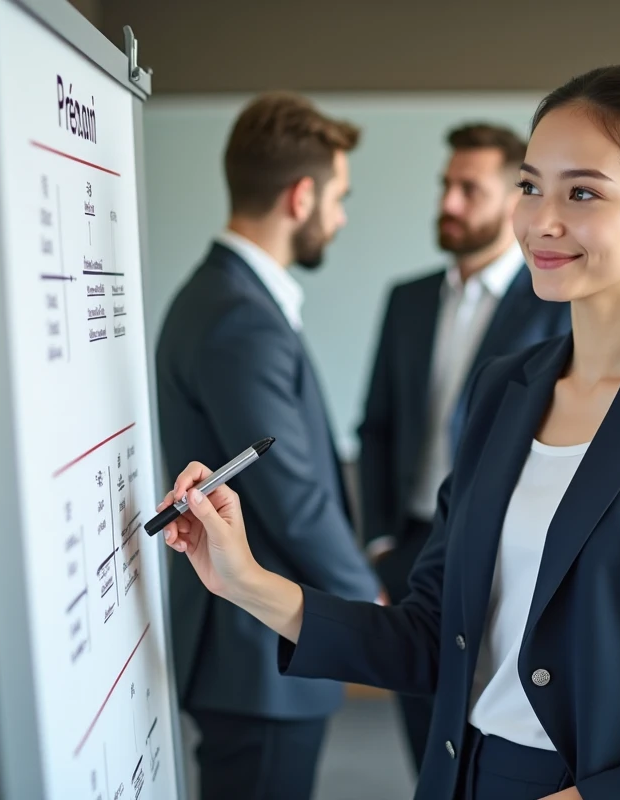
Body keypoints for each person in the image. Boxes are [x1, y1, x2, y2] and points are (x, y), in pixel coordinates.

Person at [159, 63, 620, 800]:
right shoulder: (505, 389)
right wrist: (247, 582)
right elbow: (434, 641)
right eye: (531, 187)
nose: (542, 220)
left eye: (582, 192)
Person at [154, 92, 381, 800]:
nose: (341, 219)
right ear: (302, 195)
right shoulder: (238, 318)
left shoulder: (227, 297)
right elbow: (295, 494)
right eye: (339, 198)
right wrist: (369, 607)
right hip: (255, 658)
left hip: (252, 651)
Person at [358, 122, 570, 770]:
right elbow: (376, 427)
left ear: (516, 200)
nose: (448, 203)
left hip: (501, 551)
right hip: (410, 543)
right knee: (423, 733)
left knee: (489, 726)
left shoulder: (553, 302)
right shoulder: (409, 299)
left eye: (469, 190)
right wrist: (380, 544)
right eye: (446, 186)